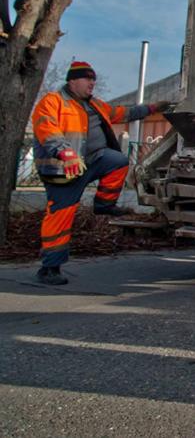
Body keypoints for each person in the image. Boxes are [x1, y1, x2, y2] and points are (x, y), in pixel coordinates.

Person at [31, 61, 172, 285]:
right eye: (87, 79)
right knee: (60, 216)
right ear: (72, 81)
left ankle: (103, 204)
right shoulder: (52, 102)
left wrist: (154, 108)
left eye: (93, 79)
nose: (92, 83)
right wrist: (65, 153)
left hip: (91, 162)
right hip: (63, 169)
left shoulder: (96, 105)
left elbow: (125, 113)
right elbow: (47, 130)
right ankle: (50, 267)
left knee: (118, 161)